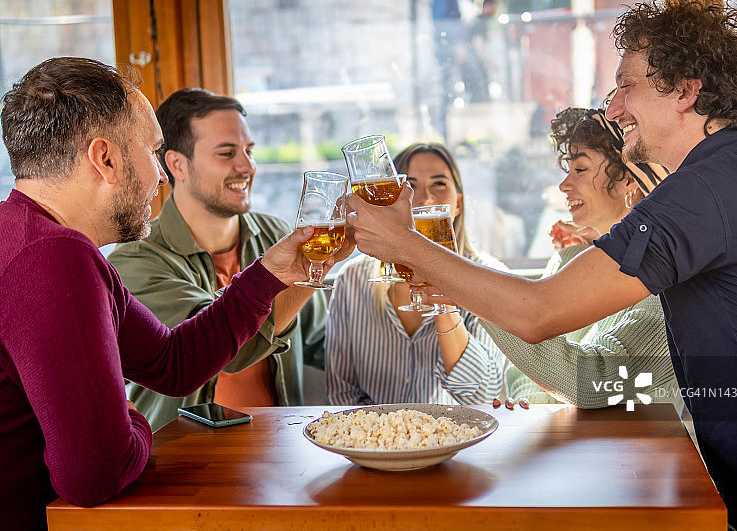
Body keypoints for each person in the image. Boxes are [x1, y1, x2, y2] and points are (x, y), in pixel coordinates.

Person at [346, 1, 737, 529]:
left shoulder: (705, 188)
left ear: (685, 90)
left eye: (627, 86)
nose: (613, 109)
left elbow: (540, 313)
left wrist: (402, 243)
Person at [0, 57, 350, 531]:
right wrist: (134, 426)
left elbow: (173, 362)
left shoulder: (29, 237)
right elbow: (94, 474)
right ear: (105, 159)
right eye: (152, 150)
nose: (161, 175)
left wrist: (271, 271)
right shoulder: (56, 258)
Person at [108, 88, 327, 432]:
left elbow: (325, 342)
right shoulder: (135, 262)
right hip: (185, 463)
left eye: (249, 151)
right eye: (227, 153)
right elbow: (229, 352)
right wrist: (308, 271)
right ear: (177, 164)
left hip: (284, 451)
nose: (247, 166)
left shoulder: (277, 234)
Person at [494, 107, 681, 416]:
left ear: (630, 181)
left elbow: (589, 380)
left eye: (579, 170)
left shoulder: (661, 284)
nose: (564, 186)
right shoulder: (573, 256)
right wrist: (536, 408)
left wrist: (471, 291)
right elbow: (530, 368)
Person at [326, 142, 505, 405]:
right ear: (389, 201)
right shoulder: (352, 279)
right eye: (408, 186)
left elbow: (482, 396)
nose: (423, 198)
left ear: (458, 204)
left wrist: (444, 298)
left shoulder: (489, 277)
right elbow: (341, 393)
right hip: (374, 443)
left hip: (455, 440)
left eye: (439, 184)